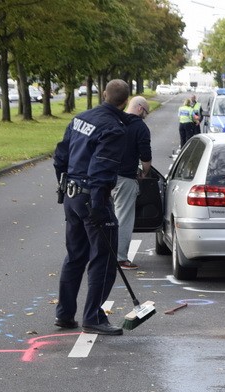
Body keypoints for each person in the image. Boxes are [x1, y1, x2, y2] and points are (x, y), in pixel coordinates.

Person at [52, 78, 131, 336]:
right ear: (125, 101)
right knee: (104, 259)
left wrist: (64, 186)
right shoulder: (114, 129)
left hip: (72, 194)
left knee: (75, 256)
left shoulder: (80, 118)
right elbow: (102, 167)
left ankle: (64, 314)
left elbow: (60, 155)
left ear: (104, 94)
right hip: (92, 196)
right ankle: (93, 317)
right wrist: (98, 205)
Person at [112, 95, 152, 270]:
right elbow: (145, 156)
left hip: (104, 175)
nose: (145, 116)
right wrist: (144, 172)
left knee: (105, 217)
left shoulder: (114, 120)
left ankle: (101, 254)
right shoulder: (140, 127)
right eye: (146, 112)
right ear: (140, 108)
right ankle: (120, 258)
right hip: (125, 177)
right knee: (124, 218)